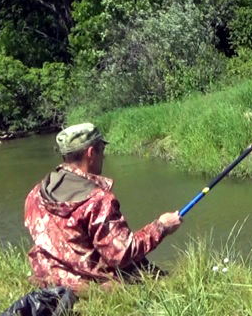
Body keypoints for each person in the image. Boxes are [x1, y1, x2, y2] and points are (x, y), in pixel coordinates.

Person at [24, 123, 182, 291]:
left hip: (50, 279)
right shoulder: (98, 200)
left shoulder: (36, 194)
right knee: (164, 281)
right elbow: (121, 254)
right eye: (102, 150)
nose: (104, 157)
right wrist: (162, 226)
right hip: (89, 287)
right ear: (91, 152)